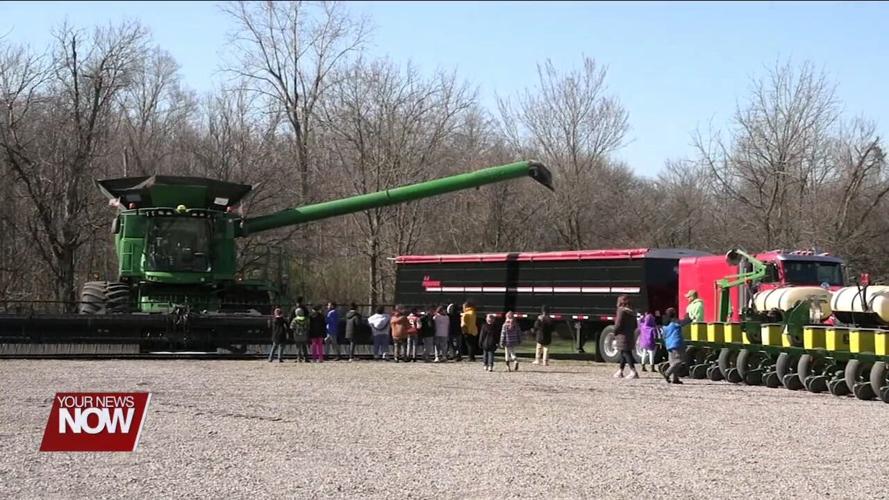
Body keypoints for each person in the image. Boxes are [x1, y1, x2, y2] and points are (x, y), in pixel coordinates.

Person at [613, 295, 638, 379]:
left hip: (622, 335)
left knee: (626, 353)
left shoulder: (621, 311)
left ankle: (633, 371)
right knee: (623, 353)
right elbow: (635, 325)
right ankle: (620, 371)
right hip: (630, 334)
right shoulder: (633, 312)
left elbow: (618, 324)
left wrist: (615, 332)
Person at [661, 308, 685, 384]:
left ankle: (675, 378)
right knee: (679, 360)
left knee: (673, 362)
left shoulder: (665, 324)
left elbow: (663, 336)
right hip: (676, 343)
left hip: (669, 344)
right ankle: (667, 373)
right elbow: (684, 322)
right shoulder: (676, 322)